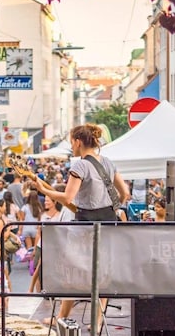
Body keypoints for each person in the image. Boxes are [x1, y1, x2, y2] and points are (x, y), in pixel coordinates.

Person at [33, 123, 130, 325]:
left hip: (85, 226)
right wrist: (109, 207)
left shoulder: (80, 165)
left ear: (78, 141)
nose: (72, 146)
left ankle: (62, 318)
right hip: (108, 225)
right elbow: (124, 194)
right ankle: (97, 322)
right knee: (102, 273)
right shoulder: (109, 163)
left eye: (72, 142)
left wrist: (45, 191)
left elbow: (69, 198)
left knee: (74, 271)